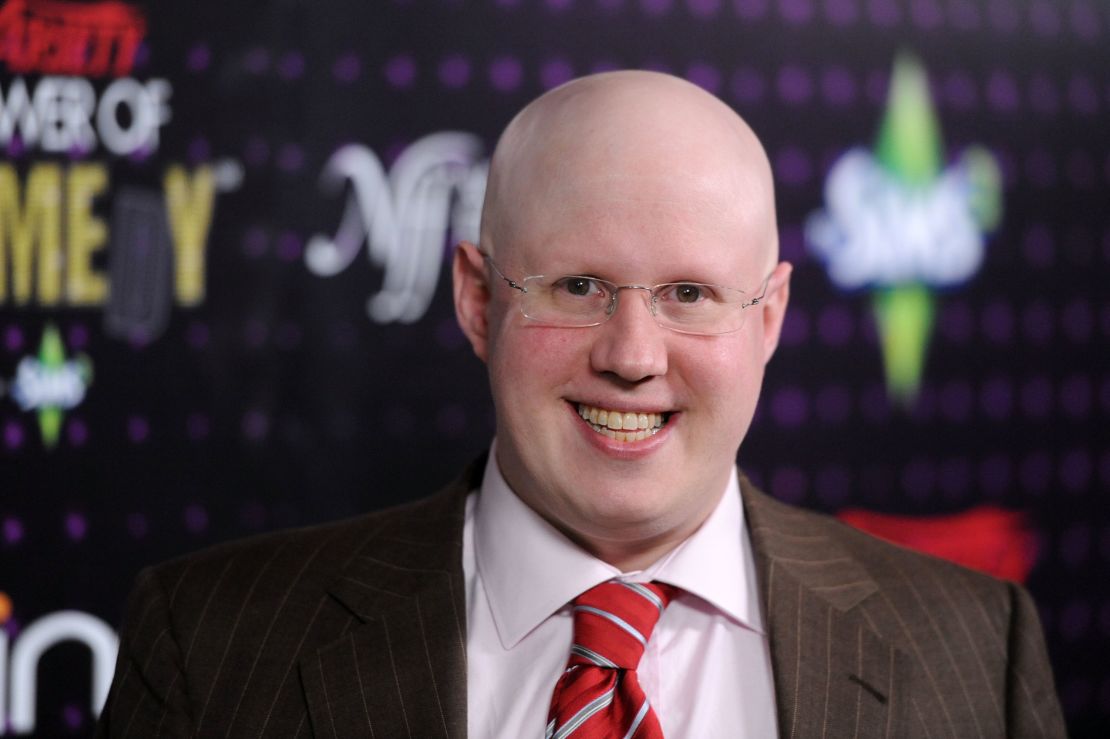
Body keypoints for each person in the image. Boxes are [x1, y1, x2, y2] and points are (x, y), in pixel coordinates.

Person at [96, 70, 1065, 738]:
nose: (634, 356)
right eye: (578, 288)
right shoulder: (212, 645)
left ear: (769, 318)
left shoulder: (974, 652)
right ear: (478, 298)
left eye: (689, 294)